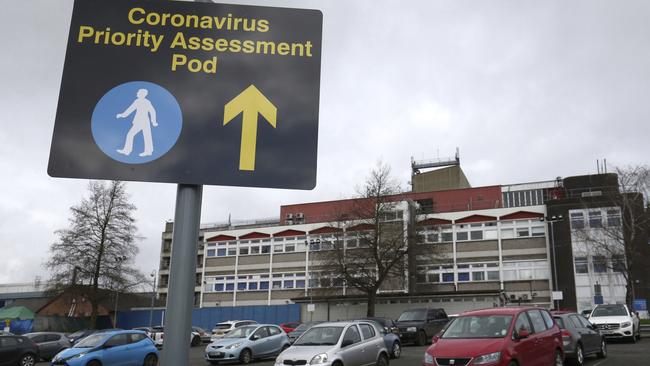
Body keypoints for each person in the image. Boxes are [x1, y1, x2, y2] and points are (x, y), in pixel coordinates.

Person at [116, 88, 157, 156]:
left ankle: (127, 150)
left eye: (138, 92)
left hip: (141, 121)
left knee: (131, 135)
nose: (137, 93)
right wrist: (122, 115)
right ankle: (148, 151)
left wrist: (154, 121)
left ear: (142, 94)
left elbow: (152, 111)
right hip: (143, 121)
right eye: (138, 92)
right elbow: (131, 109)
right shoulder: (140, 101)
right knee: (146, 136)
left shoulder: (143, 101)